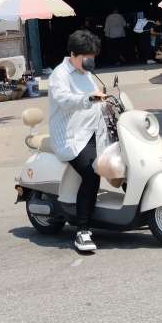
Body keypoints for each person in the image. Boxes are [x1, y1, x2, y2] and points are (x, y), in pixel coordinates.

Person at [48, 29, 108, 254]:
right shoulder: (59, 75)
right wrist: (89, 98)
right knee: (92, 173)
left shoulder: (86, 73)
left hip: (94, 131)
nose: (90, 61)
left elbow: (97, 97)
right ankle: (83, 230)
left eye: (92, 57)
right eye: (86, 57)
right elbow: (64, 100)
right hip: (71, 137)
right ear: (73, 54)